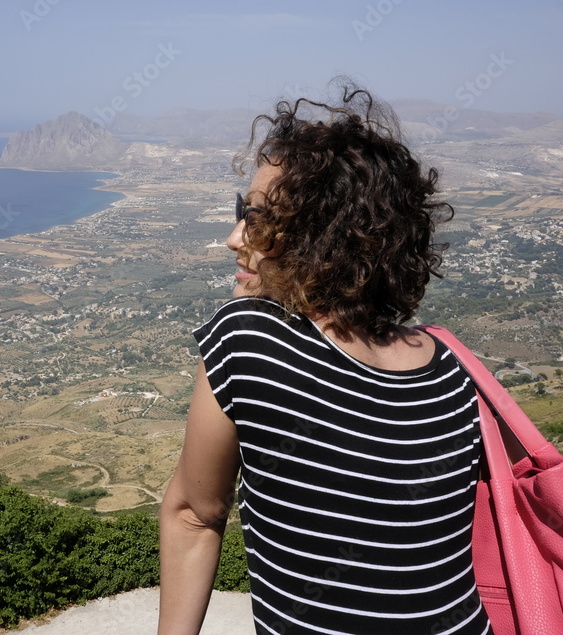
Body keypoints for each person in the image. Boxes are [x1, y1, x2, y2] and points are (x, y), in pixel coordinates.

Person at [158, 82, 492, 635]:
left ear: (324, 237)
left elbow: (195, 514)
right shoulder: (453, 373)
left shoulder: (248, 338)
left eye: (258, 217)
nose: (234, 236)